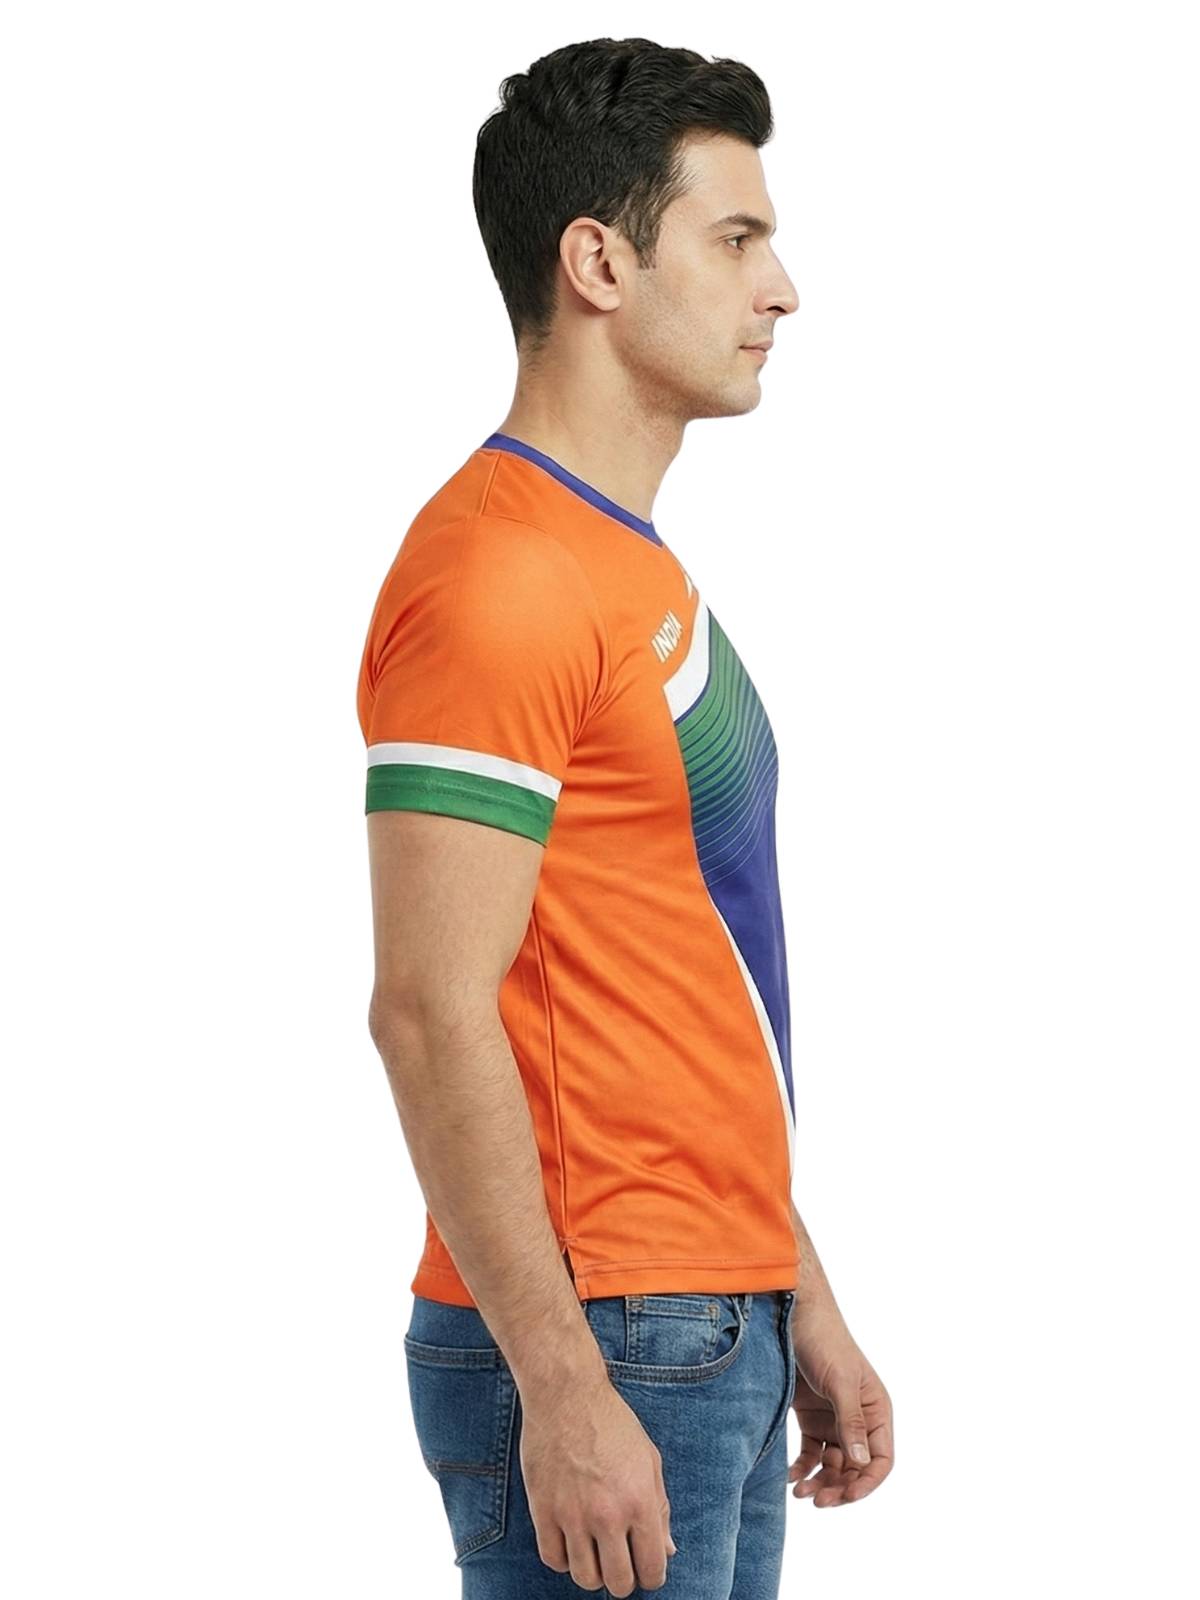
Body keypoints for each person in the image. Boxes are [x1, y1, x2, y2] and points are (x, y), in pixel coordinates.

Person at [357, 36, 893, 1598]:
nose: (781, 289)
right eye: (736, 239)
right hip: (605, 1333)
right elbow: (427, 1007)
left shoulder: (623, 565)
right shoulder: (500, 576)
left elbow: (679, 978)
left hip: (703, 1315)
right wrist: (563, 1387)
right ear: (598, 262)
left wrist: (794, 1285)